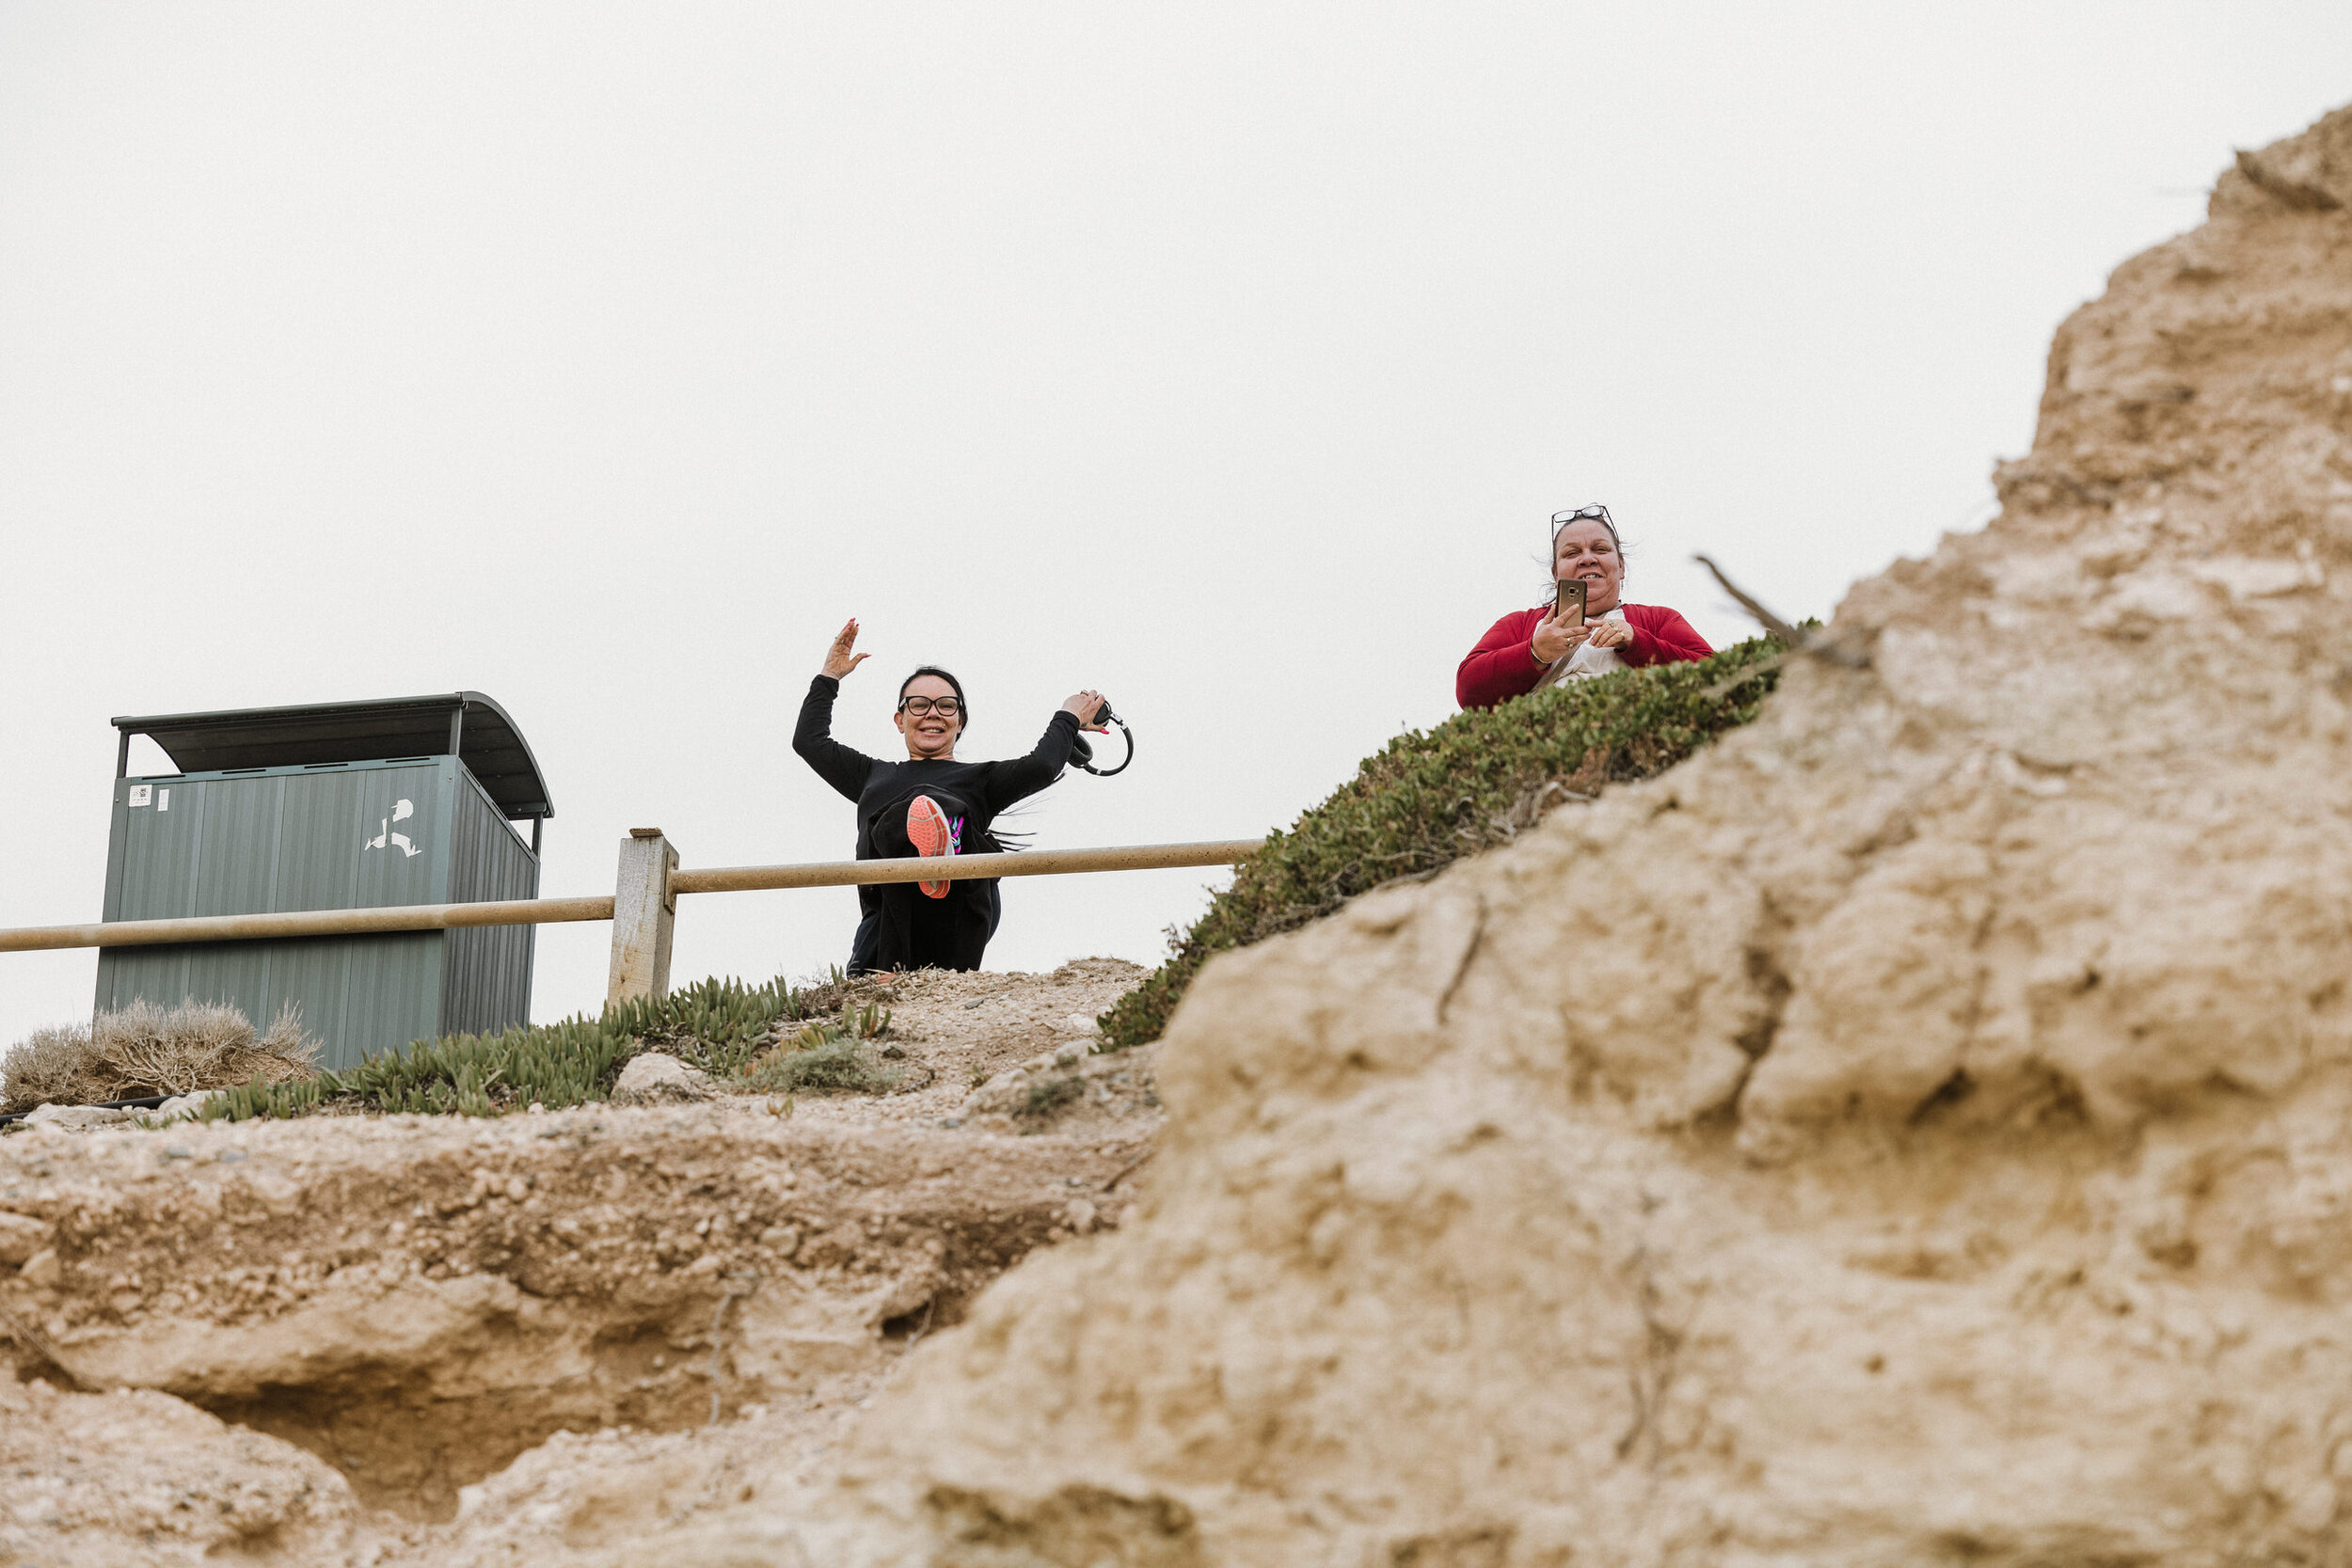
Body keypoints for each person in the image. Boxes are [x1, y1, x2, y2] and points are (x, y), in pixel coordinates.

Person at [794, 618, 1110, 975]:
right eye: (919, 704)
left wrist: (1068, 714)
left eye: (946, 705)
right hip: (889, 921)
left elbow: (1040, 766)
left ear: (960, 721)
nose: (932, 712)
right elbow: (809, 741)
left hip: (956, 911)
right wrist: (829, 677)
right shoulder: (871, 775)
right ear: (900, 720)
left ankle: (944, 848)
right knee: (908, 808)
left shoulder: (980, 779)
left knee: (934, 801)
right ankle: (928, 839)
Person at [1456, 504, 1714, 709]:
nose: (1587, 559)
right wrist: (1536, 653)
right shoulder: (1519, 624)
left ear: (1621, 566)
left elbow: (1715, 672)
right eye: (1571, 553)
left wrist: (1636, 641)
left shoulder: (1658, 619)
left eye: (1600, 549)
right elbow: (1469, 690)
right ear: (1556, 574)